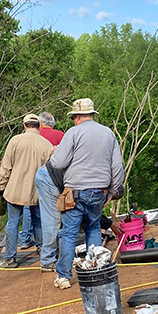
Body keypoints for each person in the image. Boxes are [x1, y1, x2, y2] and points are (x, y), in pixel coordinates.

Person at [48, 98, 124, 289]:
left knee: (69, 234)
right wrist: (112, 191)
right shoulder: (108, 134)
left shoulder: (73, 133)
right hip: (99, 191)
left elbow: (57, 163)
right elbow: (117, 168)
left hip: (75, 191)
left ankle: (64, 276)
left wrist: (54, 153)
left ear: (77, 117)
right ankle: (95, 269)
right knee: (93, 228)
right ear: (92, 114)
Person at [0, 114, 53, 268]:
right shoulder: (46, 144)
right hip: (37, 191)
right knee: (39, 221)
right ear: (39, 126)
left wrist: (2, 186)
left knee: (13, 224)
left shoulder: (15, 141)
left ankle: (10, 259)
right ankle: (43, 253)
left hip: (15, 190)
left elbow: (6, 166)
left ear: (24, 125)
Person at [20, 112, 65, 250]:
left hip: (30, 175)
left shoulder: (31, 136)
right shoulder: (60, 135)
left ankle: (25, 238)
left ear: (40, 123)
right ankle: (50, 242)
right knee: (51, 211)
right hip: (52, 177)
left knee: (29, 206)